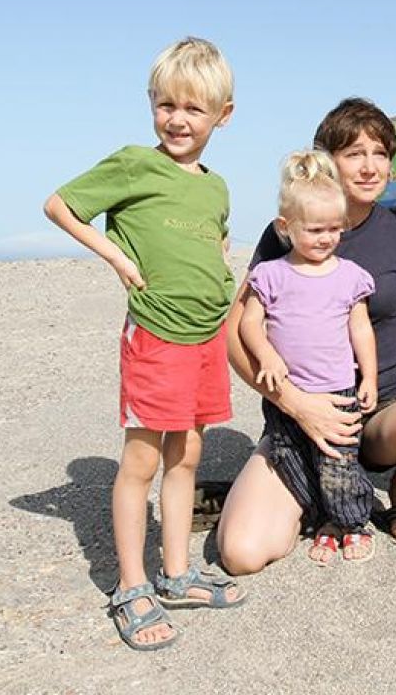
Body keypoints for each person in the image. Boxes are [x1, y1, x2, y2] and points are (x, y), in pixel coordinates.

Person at [42, 37, 245, 651]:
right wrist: (116, 258)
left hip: (206, 337)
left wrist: (220, 267)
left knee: (186, 456)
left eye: (193, 109)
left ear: (222, 115)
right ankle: (132, 585)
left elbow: (212, 237)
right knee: (142, 462)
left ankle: (177, 572)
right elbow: (60, 205)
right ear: (152, 106)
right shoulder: (135, 163)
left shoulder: (216, 187)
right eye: (165, 105)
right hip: (156, 335)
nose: (177, 120)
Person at [218, 99, 396, 573]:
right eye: (355, 153)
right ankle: (319, 497)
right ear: (326, 158)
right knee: (241, 552)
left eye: (380, 153)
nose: (370, 166)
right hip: (297, 416)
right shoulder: (289, 234)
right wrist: (295, 403)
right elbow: (235, 334)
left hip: (376, 415)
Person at [239, 150, 380, 565]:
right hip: (287, 394)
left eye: (335, 229)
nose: (326, 238)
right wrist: (266, 354)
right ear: (286, 227)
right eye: (315, 229)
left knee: (337, 465)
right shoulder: (271, 274)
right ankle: (323, 520)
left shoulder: (349, 275)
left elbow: (361, 329)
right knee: (294, 461)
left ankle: (352, 523)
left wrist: (367, 377)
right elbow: (249, 324)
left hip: (337, 392)